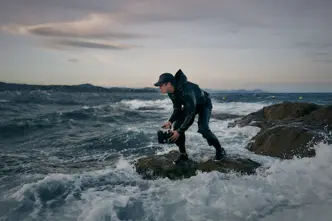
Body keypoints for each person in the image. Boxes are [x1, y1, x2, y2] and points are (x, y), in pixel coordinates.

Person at [154, 69, 226, 164]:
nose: (159, 88)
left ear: (168, 84)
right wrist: (170, 121)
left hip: (204, 104)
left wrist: (179, 131)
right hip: (191, 105)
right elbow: (177, 108)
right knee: (176, 126)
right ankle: (183, 155)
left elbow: (191, 114)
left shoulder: (187, 90)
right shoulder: (170, 92)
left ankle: (220, 150)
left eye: (161, 85)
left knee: (203, 129)